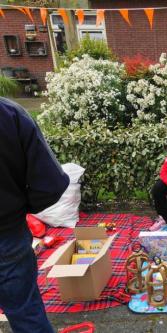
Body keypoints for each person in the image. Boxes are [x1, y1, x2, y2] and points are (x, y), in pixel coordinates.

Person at [0, 98, 69, 333]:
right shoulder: (10, 114)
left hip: (7, 232)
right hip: (7, 234)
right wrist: (20, 208)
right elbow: (51, 185)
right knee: (26, 316)